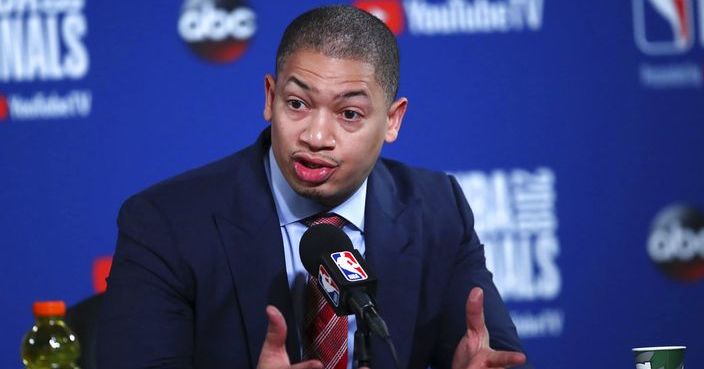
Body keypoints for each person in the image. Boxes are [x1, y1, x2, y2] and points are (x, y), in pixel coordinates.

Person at [97, 5, 530, 369]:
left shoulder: (438, 209)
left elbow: (488, 352)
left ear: (393, 120)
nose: (316, 136)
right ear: (270, 98)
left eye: (350, 114)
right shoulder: (166, 224)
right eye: (298, 104)